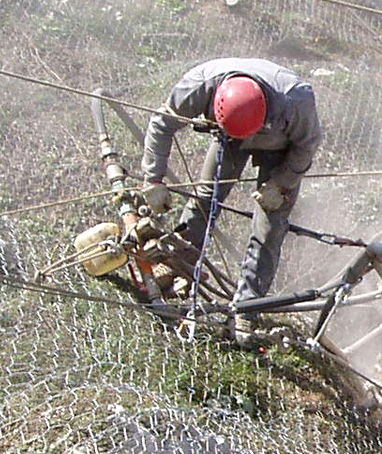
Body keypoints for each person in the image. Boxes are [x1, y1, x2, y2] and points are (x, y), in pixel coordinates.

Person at [139, 58, 324, 306]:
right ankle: (177, 268)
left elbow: (306, 146)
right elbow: (162, 123)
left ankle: (248, 306)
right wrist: (153, 179)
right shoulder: (199, 85)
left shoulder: (296, 101)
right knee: (205, 199)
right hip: (227, 138)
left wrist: (281, 183)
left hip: (281, 149)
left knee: (269, 225)